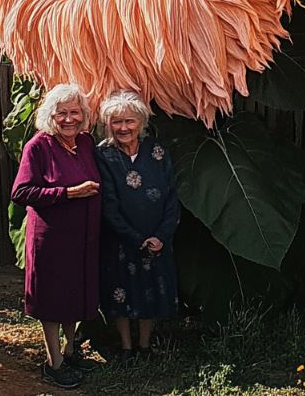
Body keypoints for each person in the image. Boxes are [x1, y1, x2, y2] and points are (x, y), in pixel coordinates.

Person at [11, 83, 101, 390]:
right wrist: (67, 193)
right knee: (52, 299)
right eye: (61, 113)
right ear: (51, 115)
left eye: (75, 112)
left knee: (74, 293)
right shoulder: (38, 147)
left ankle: (70, 350)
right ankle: (54, 364)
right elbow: (21, 192)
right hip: (50, 240)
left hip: (81, 238)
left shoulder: (86, 143)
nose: (69, 119)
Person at [96, 90, 180, 361]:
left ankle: (144, 346)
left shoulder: (157, 150)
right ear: (107, 124)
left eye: (130, 121)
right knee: (120, 291)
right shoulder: (103, 155)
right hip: (120, 240)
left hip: (156, 239)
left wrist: (161, 236)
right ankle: (126, 347)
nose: (123, 128)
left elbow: (171, 197)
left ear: (141, 122)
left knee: (151, 291)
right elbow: (108, 204)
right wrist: (135, 237)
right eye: (117, 122)